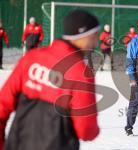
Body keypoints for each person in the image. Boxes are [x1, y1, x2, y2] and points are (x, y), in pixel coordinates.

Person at [0, 10, 100, 150]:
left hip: (18, 143)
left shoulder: (32, 58)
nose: (96, 41)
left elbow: (2, 105)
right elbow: (86, 130)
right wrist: (93, 130)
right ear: (85, 35)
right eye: (95, 34)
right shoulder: (80, 72)